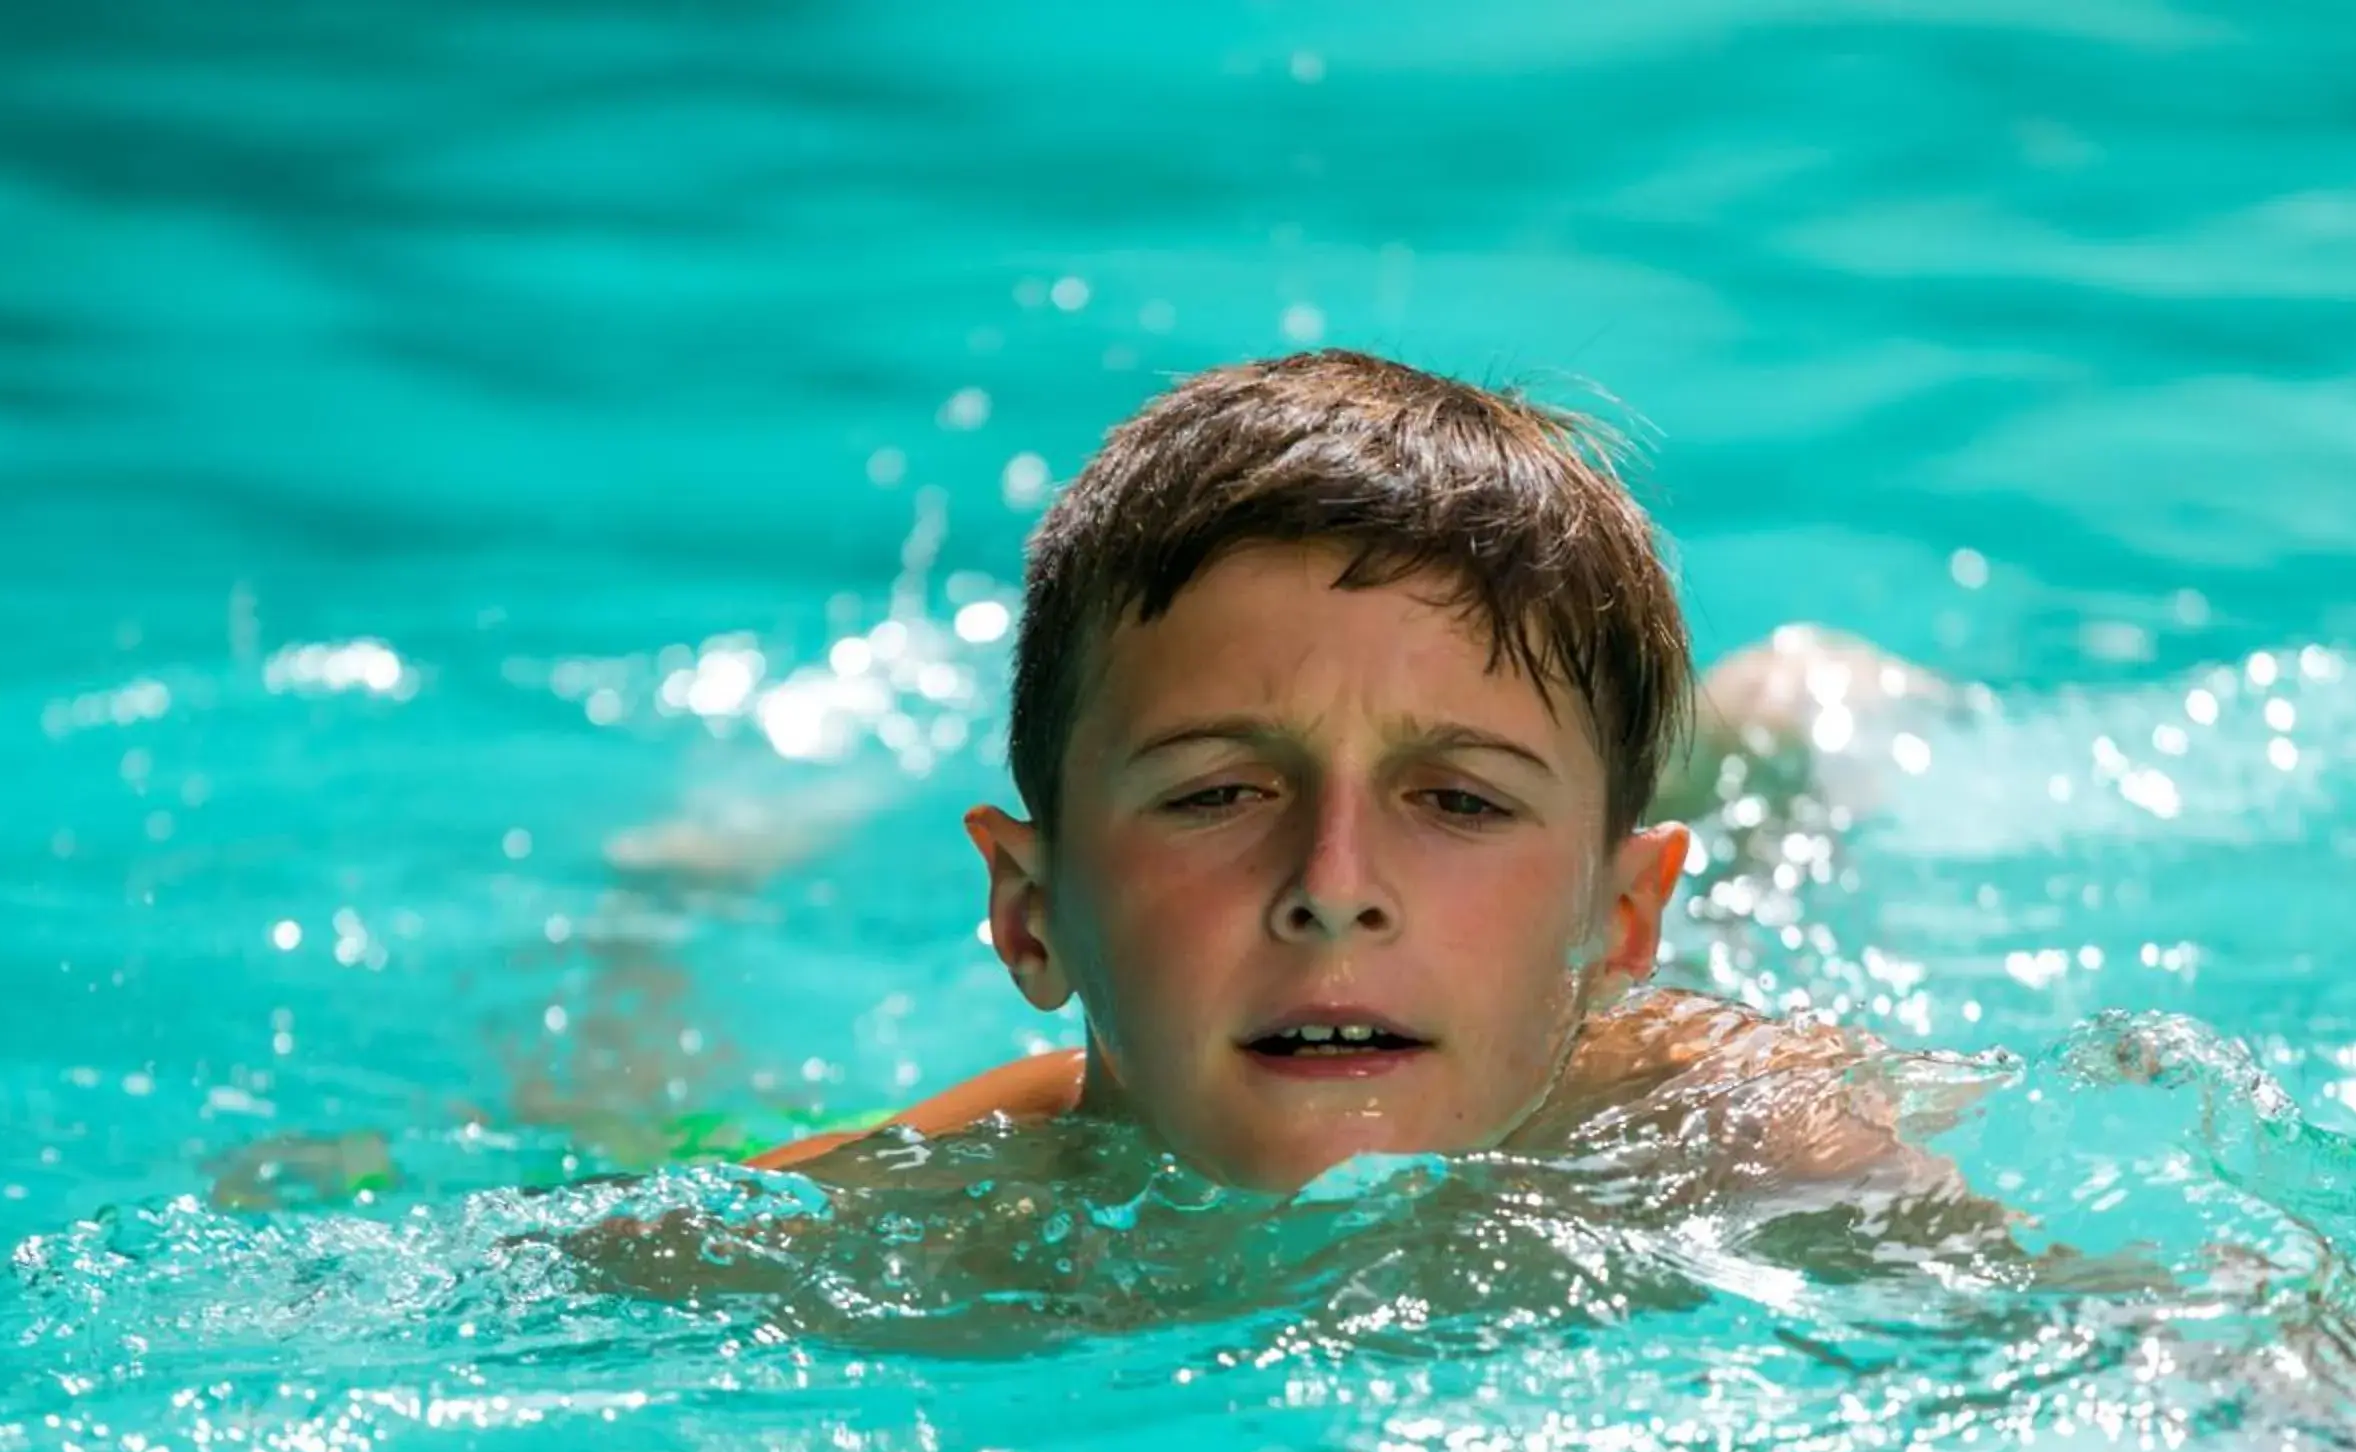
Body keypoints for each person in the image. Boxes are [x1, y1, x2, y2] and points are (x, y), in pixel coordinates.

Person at [717, 349, 1946, 1200]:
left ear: (1622, 918)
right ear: (1032, 915)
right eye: (1217, 794)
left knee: (1777, 818)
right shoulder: (877, 1221)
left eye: (1458, 799)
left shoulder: (1754, 1146)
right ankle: (682, 886)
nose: (1334, 884)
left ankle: (1768, 727)